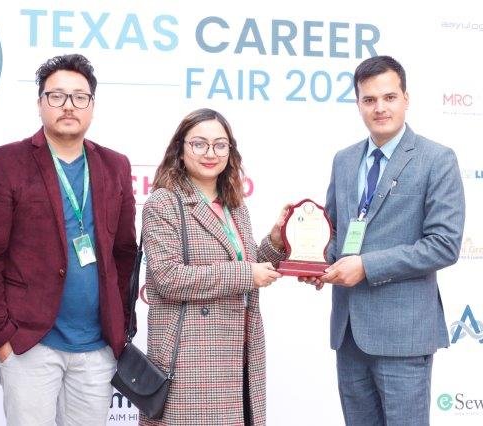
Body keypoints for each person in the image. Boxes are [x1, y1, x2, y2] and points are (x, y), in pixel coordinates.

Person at [0, 53, 137, 425]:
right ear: (40, 103)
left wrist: (121, 325)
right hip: (30, 343)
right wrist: (0, 335)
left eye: (79, 97)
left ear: (92, 105)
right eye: (56, 96)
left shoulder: (115, 165)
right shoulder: (7, 162)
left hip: (96, 346)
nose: (68, 105)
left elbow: (124, 252)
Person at [304, 55, 465, 425]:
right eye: (369, 99)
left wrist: (366, 266)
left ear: (406, 98)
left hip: (403, 336)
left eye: (389, 97)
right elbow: (335, 232)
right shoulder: (344, 160)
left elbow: (444, 244)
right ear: (358, 103)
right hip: (349, 333)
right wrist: (317, 262)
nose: (380, 108)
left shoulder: (436, 159)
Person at [140, 108, 288, 425]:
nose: (210, 153)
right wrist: (246, 274)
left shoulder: (235, 205)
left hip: (241, 349)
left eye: (220, 145)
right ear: (180, 149)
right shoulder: (164, 202)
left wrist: (276, 242)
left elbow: (249, 266)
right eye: (199, 144)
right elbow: (167, 278)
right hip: (192, 355)